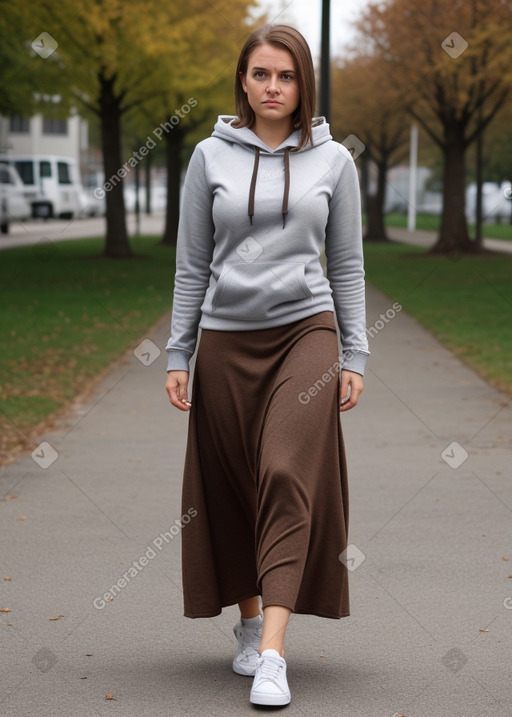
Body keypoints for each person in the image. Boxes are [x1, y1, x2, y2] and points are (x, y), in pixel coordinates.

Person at [165, 23, 369, 708]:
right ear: (243, 82)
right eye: (261, 74)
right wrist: (178, 351)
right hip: (225, 339)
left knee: (283, 467)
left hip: (306, 333)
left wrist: (355, 352)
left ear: (303, 82)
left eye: (286, 76)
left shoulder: (334, 159)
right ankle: (249, 623)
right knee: (232, 482)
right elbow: (192, 263)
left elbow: (346, 264)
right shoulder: (208, 158)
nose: (273, 87)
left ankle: (274, 652)